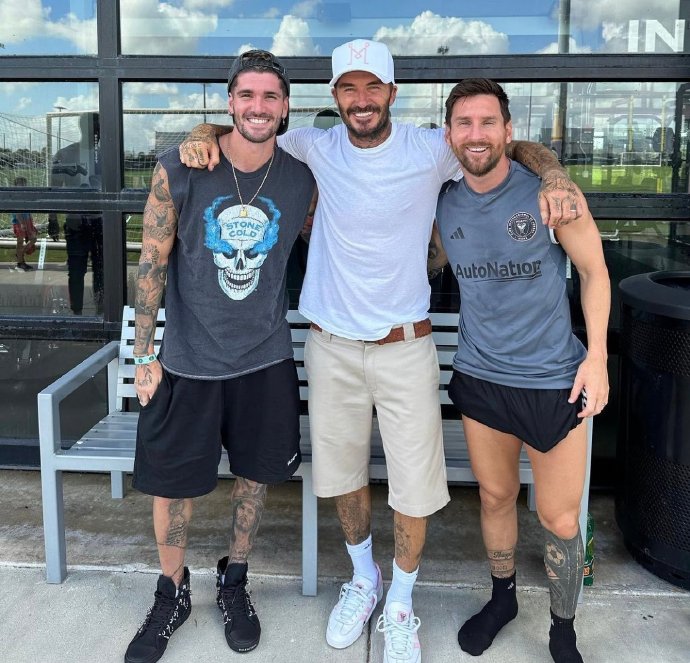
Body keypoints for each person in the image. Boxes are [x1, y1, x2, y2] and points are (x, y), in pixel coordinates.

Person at [179, 39, 590, 663]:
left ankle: (400, 599)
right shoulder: (313, 146)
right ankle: (363, 579)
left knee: (413, 487)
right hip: (331, 345)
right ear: (335, 96)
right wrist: (203, 130)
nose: (361, 99)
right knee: (343, 477)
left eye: (373, 87)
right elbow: (250, 128)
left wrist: (553, 172)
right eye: (349, 88)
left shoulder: (431, 148)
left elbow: (508, 145)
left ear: (392, 93)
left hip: (406, 346)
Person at [124, 50, 314, 663]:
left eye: (270, 96)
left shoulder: (302, 178)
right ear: (230, 102)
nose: (258, 107)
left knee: (254, 481)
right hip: (187, 360)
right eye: (247, 95)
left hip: (265, 359)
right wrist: (144, 354)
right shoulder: (180, 168)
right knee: (171, 487)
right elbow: (151, 263)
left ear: (286, 107)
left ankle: (234, 579)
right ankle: (172, 590)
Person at [433, 79, 610, 663]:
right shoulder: (445, 202)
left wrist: (597, 357)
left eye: (488, 122)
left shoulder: (550, 195)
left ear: (508, 130)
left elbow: (596, 272)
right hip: (481, 377)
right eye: (464, 123)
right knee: (495, 497)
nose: (476, 134)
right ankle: (502, 599)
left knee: (559, 517)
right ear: (449, 134)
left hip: (554, 381)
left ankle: (562, 629)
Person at [49, 112, 104, 315]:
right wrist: (52, 219)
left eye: (99, 127)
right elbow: (54, 189)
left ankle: (102, 312)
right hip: (75, 222)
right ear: (84, 128)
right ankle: (77, 313)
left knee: (102, 271)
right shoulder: (65, 154)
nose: (97, 131)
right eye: (94, 127)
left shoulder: (106, 155)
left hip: (101, 221)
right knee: (76, 271)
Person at [12, 177, 38, 272]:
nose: (22, 185)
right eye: (20, 183)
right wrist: (22, 223)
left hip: (27, 220)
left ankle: (19, 255)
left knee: (33, 239)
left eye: (24, 183)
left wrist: (31, 221)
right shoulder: (15, 196)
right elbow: (17, 211)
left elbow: (28, 209)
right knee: (20, 241)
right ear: (16, 185)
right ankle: (20, 262)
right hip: (19, 222)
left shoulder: (25, 195)